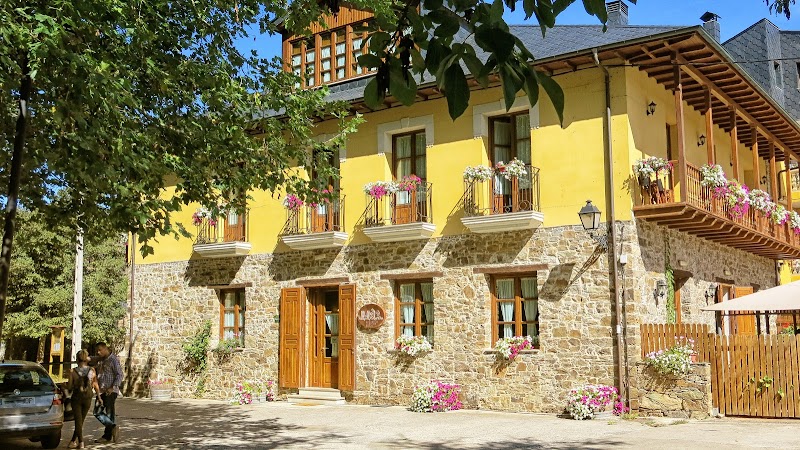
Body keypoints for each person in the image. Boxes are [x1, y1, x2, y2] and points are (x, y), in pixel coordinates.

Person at [67, 350, 101, 449]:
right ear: (86, 359)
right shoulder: (92, 370)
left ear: (77, 359)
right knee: (81, 421)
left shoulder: (73, 371)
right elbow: (95, 384)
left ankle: (81, 442)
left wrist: (65, 384)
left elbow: (69, 387)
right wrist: (98, 396)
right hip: (88, 397)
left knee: (78, 420)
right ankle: (73, 440)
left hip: (77, 398)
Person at [94, 342, 123, 444]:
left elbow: (119, 375)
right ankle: (112, 428)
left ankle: (107, 436)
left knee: (109, 413)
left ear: (105, 349)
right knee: (97, 412)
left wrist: (113, 387)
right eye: (97, 350)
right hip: (101, 390)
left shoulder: (113, 360)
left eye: (100, 350)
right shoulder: (101, 360)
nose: (98, 352)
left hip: (110, 391)